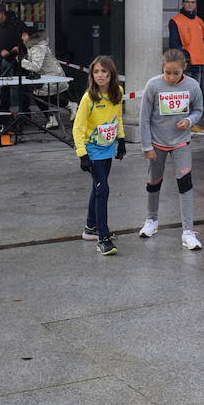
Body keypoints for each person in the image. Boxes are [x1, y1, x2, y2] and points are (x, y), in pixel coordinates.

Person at [138, 48, 204, 251]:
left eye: (176, 73)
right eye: (167, 72)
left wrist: (189, 120)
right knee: (154, 182)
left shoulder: (193, 86)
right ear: (162, 68)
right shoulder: (153, 85)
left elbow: (198, 110)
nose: (171, 77)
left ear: (184, 69)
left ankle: (188, 231)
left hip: (181, 142)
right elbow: (144, 118)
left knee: (185, 183)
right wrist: (146, 146)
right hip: (157, 143)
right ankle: (152, 221)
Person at [74, 55, 126, 256]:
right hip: (92, 149)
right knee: (103, 189)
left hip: (108, 148)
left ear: (111, 74)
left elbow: (117, 117)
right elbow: (77, 128)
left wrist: (121, 140)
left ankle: (90, 228)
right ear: (92, 75)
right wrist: (82, 154)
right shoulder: (89, 97)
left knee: (98, 188)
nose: (100, 75)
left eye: (104, 71)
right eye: (96, 72)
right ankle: (102, 238)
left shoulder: (117, 93)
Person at [20, 25, 67, 128]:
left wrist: (21, 61)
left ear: (30, 36)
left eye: (24, 35)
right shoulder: (33, 46)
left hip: (54, 78)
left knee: (38, 95)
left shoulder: (38, 48)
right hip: (50, 77)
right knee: (40, 95)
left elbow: (36, 67)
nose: (21, 38)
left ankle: (55, 116)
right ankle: (56, 115)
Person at [0, 3, 29, 113]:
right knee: (5, 89)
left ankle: (24, 113)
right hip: (4, 60)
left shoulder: (17, 24)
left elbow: (27, 38)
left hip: (20, 60)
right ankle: (4, 114)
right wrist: (0, 51)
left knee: (23, 88)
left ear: (1, 14)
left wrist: (18, 47)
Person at [168, 0, 204, 84]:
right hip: (185, 60)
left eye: (192, 2)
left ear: (195, 4)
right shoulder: (176, 21)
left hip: (198, 61)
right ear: (183, 4)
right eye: (187, 2)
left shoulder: (199, 21)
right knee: (185, 89)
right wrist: (183, 55)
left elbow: (202, 39)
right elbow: (173, 43)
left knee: (195, 89)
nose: (190, 4)